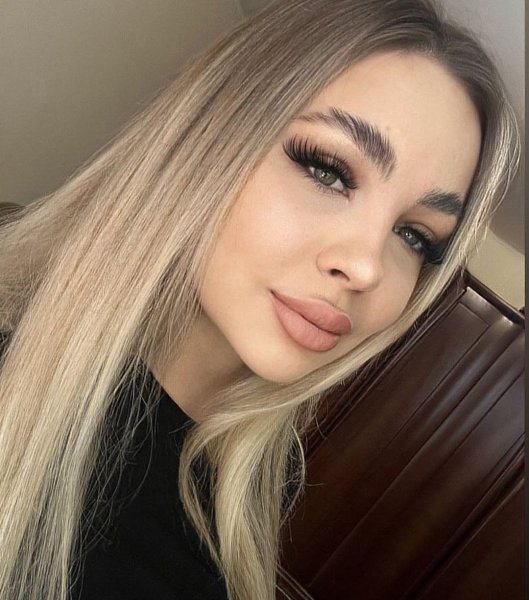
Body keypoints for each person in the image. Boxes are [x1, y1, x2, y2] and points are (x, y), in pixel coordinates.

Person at [0, 0, 520, 599]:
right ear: (203, 138)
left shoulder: (264, 476)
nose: (367, 267)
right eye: (327, 170)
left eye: (415, 237)